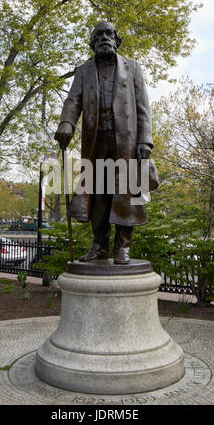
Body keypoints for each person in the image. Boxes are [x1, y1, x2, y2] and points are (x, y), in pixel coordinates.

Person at [54, 21, 154, 264]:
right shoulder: (84, 71)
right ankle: (99, 246)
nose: (104, 38)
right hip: (96, 141)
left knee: (126, 194)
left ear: (116, 39)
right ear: (93, 43)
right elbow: (72, 100)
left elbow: (143, 107)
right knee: (97, 196)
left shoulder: (133, 68)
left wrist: (145, 141)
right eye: (98, 35)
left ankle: (123, 246)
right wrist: (66, 123)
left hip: (127, 143)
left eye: (108, 33)